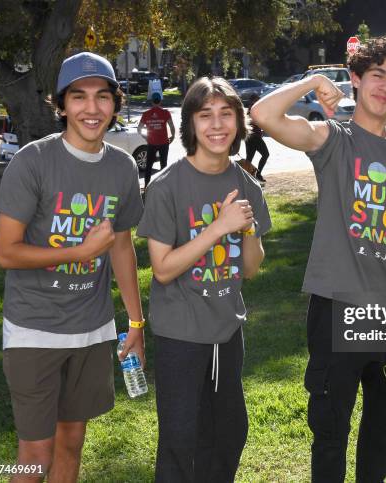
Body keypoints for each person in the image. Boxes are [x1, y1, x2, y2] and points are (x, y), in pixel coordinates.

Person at [251, 36, 386, 482]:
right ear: (355, 79)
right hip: (336, 310)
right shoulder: (334, 140)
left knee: (383, 431)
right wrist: (313, 80)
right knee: (330, 429)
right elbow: (263, 115)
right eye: (376, 75)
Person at [0, 52, 145, 482]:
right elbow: (6, 252)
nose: (91, 109)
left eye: (102, 97)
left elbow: (120, 247)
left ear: (115, 103)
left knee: (71, 444)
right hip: (33, 329)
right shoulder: (33, 162)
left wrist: (135, 321)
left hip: (92, 329)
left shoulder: (121, 167)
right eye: (78, 98)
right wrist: (77, 253)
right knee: (34, 457)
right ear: (60, 105)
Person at [136, 76, 271, 482]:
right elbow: (162, 268)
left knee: (229, 434)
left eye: (226, 114)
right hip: (182, 334)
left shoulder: (246, 182)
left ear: (239, 122)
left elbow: (249, 268)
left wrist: (245, 229)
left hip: (227, 332)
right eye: (205, 115)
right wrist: (217, 228)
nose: (217, 124)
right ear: (190, 124)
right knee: (181, 439)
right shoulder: (166, 187)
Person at [138, 91, 176, 189]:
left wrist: (146, 137)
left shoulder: (146, 114)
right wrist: (173, 136)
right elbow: (171, 126)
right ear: (160, 101)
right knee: (164, 166)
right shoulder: (165, 113)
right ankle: (163, 187)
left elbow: (139, 129)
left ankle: (147, 186)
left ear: (152, 102)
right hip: (164, 143)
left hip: (151, 143)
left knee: (149, 166)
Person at [245, 93, 270, 182]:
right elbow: (255, 122)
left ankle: (246, 177)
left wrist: (260, 130)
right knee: (265, 154)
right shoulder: (253, 109)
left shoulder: (250, 109)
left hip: (250, 137)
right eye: (258, 100)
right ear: (254, 101)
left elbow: (252, 123)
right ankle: (258, 174)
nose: (259, 102)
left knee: (249, 158)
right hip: (254, 137)